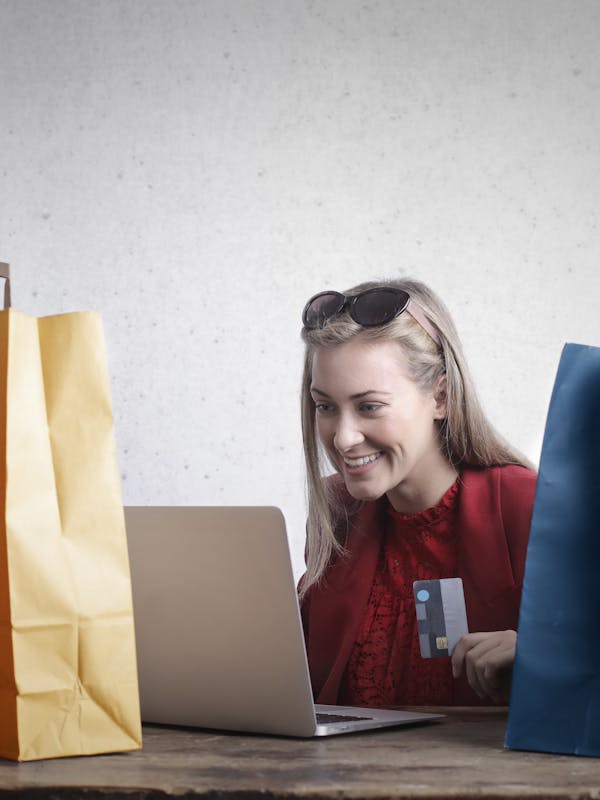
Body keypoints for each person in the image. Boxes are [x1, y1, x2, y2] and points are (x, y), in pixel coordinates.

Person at [298, 278, 537, 706]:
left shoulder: (528, 508)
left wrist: (547, 658)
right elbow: (298, 678)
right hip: (346, 772)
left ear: (440, 397)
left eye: (369, 406)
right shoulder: (338, 513)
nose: (343, 438)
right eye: (325, 406)